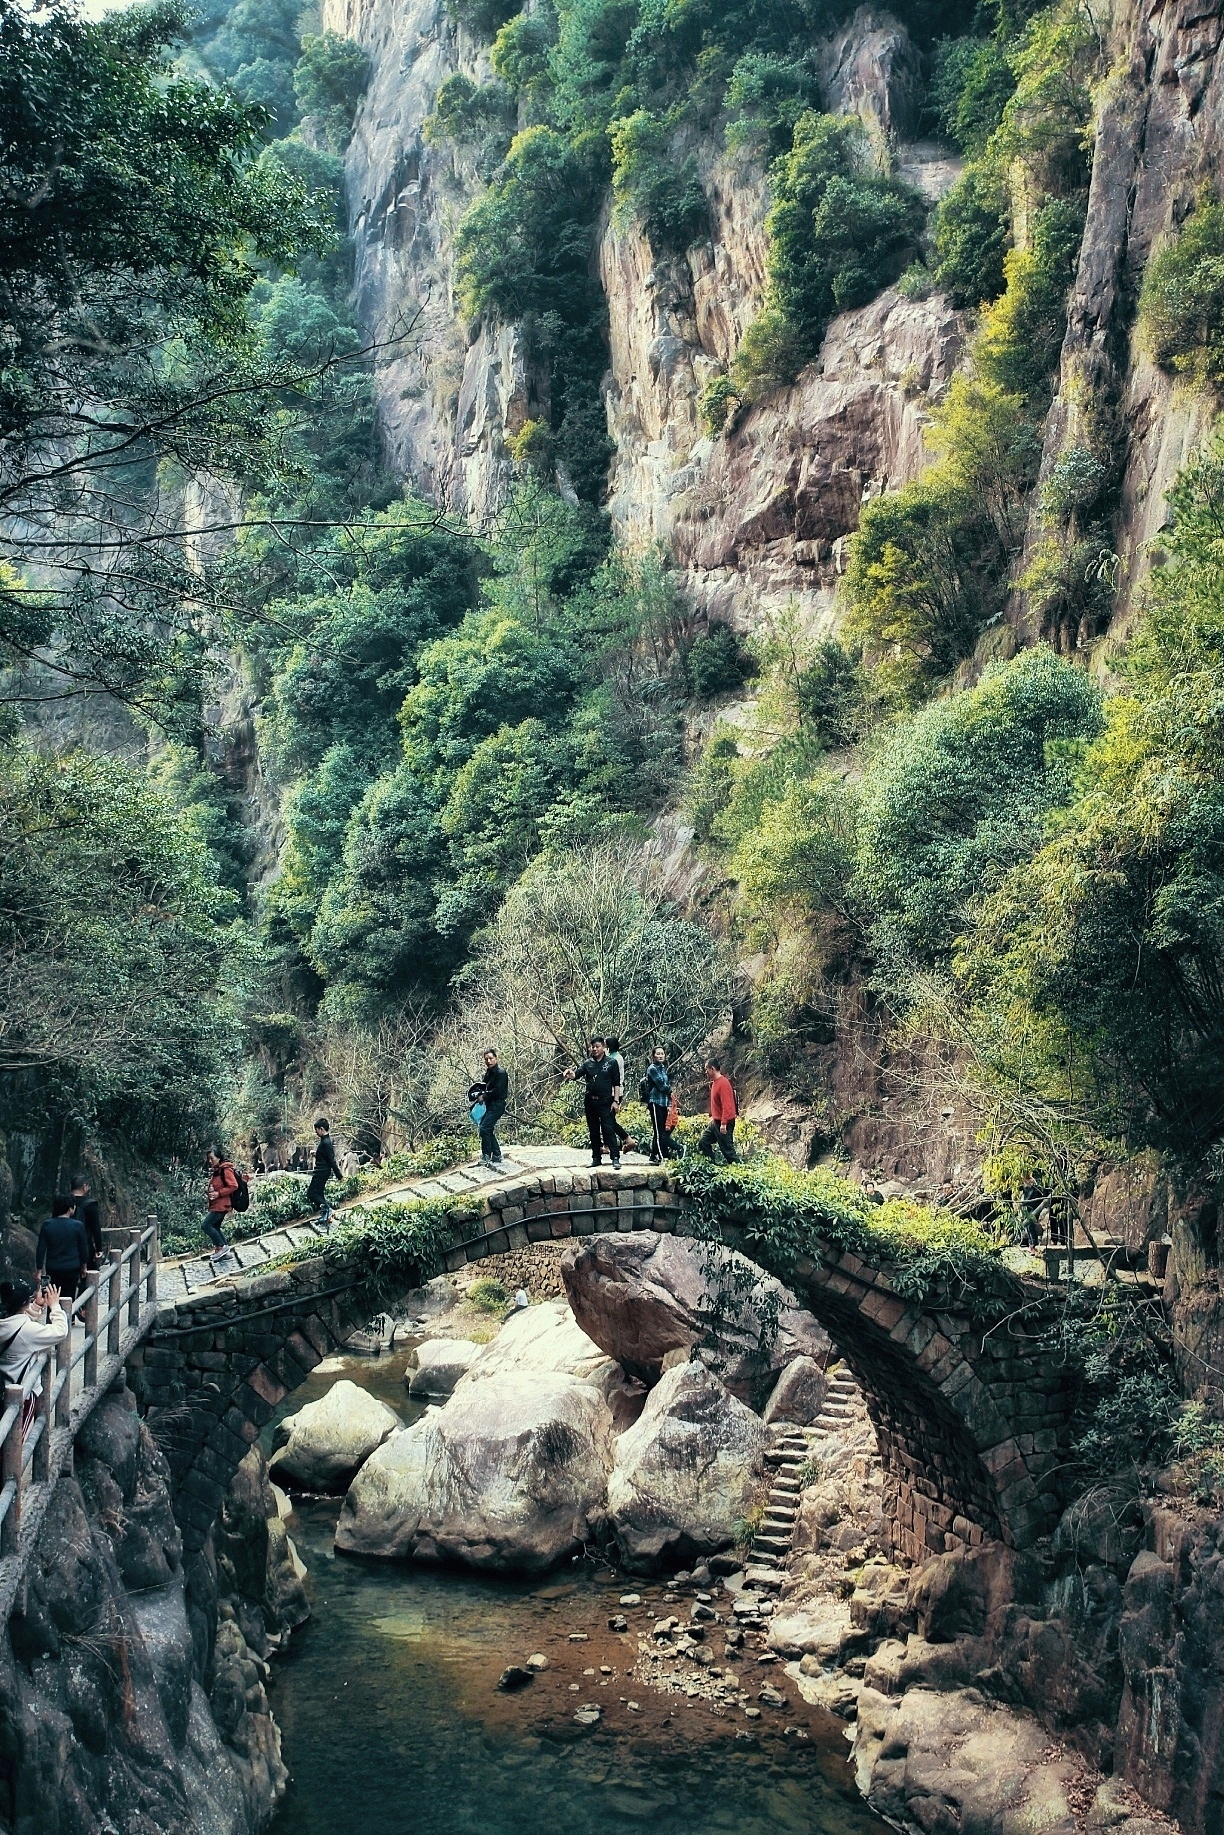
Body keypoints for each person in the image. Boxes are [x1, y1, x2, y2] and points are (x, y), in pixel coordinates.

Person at [0, 1280, 68, 1436]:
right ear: (26, 1302)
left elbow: (16, 1321)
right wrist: (55, 1306)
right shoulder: (28, 1331)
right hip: (23, 1395)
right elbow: (60, 1331)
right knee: (17, 1440)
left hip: (2, 1388)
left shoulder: (5, 1323)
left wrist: (36, 1306)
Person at [565, 1038, 623, 1168]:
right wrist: (570, 1073)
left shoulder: (611, 1062)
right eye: (593, 1047)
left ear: (603, 1047)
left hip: (606, 1101)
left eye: (597, 1046)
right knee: (593, 1131)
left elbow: (616, 1083)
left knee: (608, 1129)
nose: (595, 1049)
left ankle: (615, 1157)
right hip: (590, 1101)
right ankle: (596, 1158)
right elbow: (576, 1075)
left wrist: (616, 1101)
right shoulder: (588, 1063)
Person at [36, 1195, 90, 1303]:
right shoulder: (78, 1225)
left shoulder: (47, 1225)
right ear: (70, 1209)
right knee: (69, 1296)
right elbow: (83, 1248)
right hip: (72, 1266)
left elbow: (41, 1249)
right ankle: (69, 1314)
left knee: (52, 1296)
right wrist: (84, 1266)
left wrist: (39, 1270)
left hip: (53, 1267)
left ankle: (52, 1313)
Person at [698, 1058, 739, 1163]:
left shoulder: (723, 1084)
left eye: (706, 1069)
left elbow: (727, 1106)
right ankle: (712, 1165)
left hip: (724, 1122)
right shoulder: (715, 1083)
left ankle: (741, 1169)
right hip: (716, 1122)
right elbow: (717, 1104)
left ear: (712, 1069)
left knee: (728, 1152)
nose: (705, 1072)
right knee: (703, 1142)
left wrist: (724, 1124)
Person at [476, 1048, 510, 1167]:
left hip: (497, 1104)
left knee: (484, 1128)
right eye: (486, 1059)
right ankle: (496, 1154)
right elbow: (484, 1086)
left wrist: (484, 1096)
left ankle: (486, 1155)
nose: (488, 1061)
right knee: (487, 1128)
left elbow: (497, 1091)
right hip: (490, 1104)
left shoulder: (501, 1073)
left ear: (496, 1058)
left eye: (490, 1058)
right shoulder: (489, 1072)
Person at [604, 1037, 637, 1157]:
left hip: (614, 1093)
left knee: (609, 1120)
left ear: (609, 1046)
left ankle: (628, 1140)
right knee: (607, 1119)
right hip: (613, 1092)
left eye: (605, 1045)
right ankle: (606, 1146)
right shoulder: (615, 1057)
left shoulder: (615, 1058)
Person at [203, 1148, 239, 1253]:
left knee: (206, 1225)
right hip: (217, 1204)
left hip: (222, 1205)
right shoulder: (217, 1170)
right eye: (208, 1159)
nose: (210, 1161)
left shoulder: (225, 1169)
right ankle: (225, 1250)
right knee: (215, 1226)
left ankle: (221, 1247)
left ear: (218, 1158)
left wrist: (218, 1193)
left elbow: (233, 1185)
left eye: (212, 1158)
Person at [644, 1046, 674, 1163]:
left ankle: (653, 1155)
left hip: (663, 1102)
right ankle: (662, 1156)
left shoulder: (662, 1068)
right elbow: (661, 1085)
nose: (661, 1056)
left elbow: (666, 1085)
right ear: (653, 1056)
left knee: (662, 1130)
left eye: (662, 1054)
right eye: (658, 1054)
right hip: (655, 1102)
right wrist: (670, 1090)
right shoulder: (652, 1069)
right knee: (658, 1131)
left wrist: (669, 1102)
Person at [308, 1118, 342, 1220]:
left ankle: (328, 1211)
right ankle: (326, 1215)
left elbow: (331, 1160)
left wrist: (339, 1175)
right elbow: (325, 1157)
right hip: (321, 1170)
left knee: (311, 1193)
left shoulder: (326, 1142)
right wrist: (316, 1154)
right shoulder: (324, 1141)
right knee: (319, 1193)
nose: (316, 1133)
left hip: (322, 1171)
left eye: (317, 1130)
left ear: (321, 1129)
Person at [70, 1175, 104, 1268]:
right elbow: (96, 1228)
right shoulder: (90, 1204)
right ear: (84, 1186)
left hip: (64, 1248)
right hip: (85, 1246)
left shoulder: (62, 1201)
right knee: (88, 1273)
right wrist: (99, 1249)